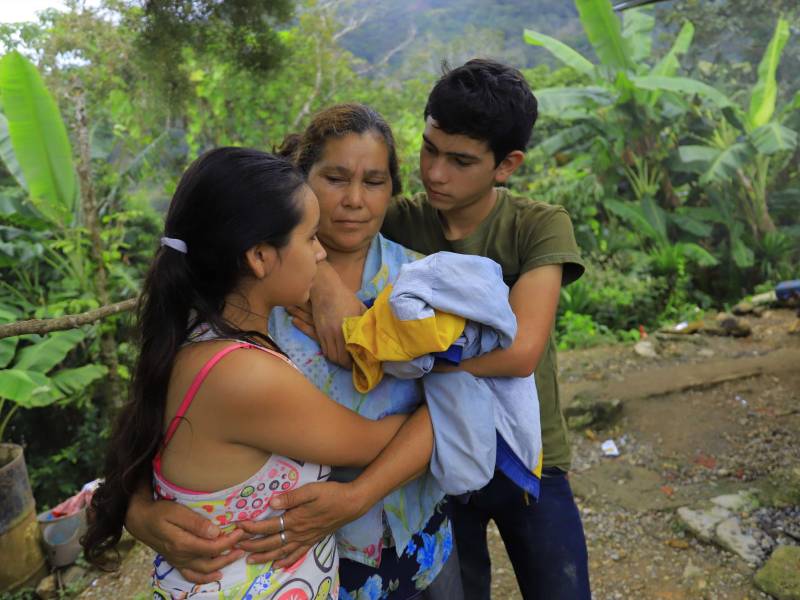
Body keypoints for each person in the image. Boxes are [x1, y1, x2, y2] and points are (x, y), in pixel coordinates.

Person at [123, 106, 465, 600]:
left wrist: (358, 493)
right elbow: (156, 421)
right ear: (300, 178)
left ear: (393, 189)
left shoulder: (426, 282)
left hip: (416, 529)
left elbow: (469, 392)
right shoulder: (252, 309)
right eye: (334, 178)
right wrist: (138, 510)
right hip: (310, 558)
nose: (353, 200)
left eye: (374, 181)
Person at [295, 60, 591, 599]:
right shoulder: (397, 216)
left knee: (560, 586)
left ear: (507, 165)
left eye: (460, 161)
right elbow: (304, 196)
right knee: (463, 584)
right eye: (430, 149)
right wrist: (320, 276)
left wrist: (379, 351)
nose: (435, 173)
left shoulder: (536, 225)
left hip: (525, 454)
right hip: (438, 454)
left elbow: (520, 351)